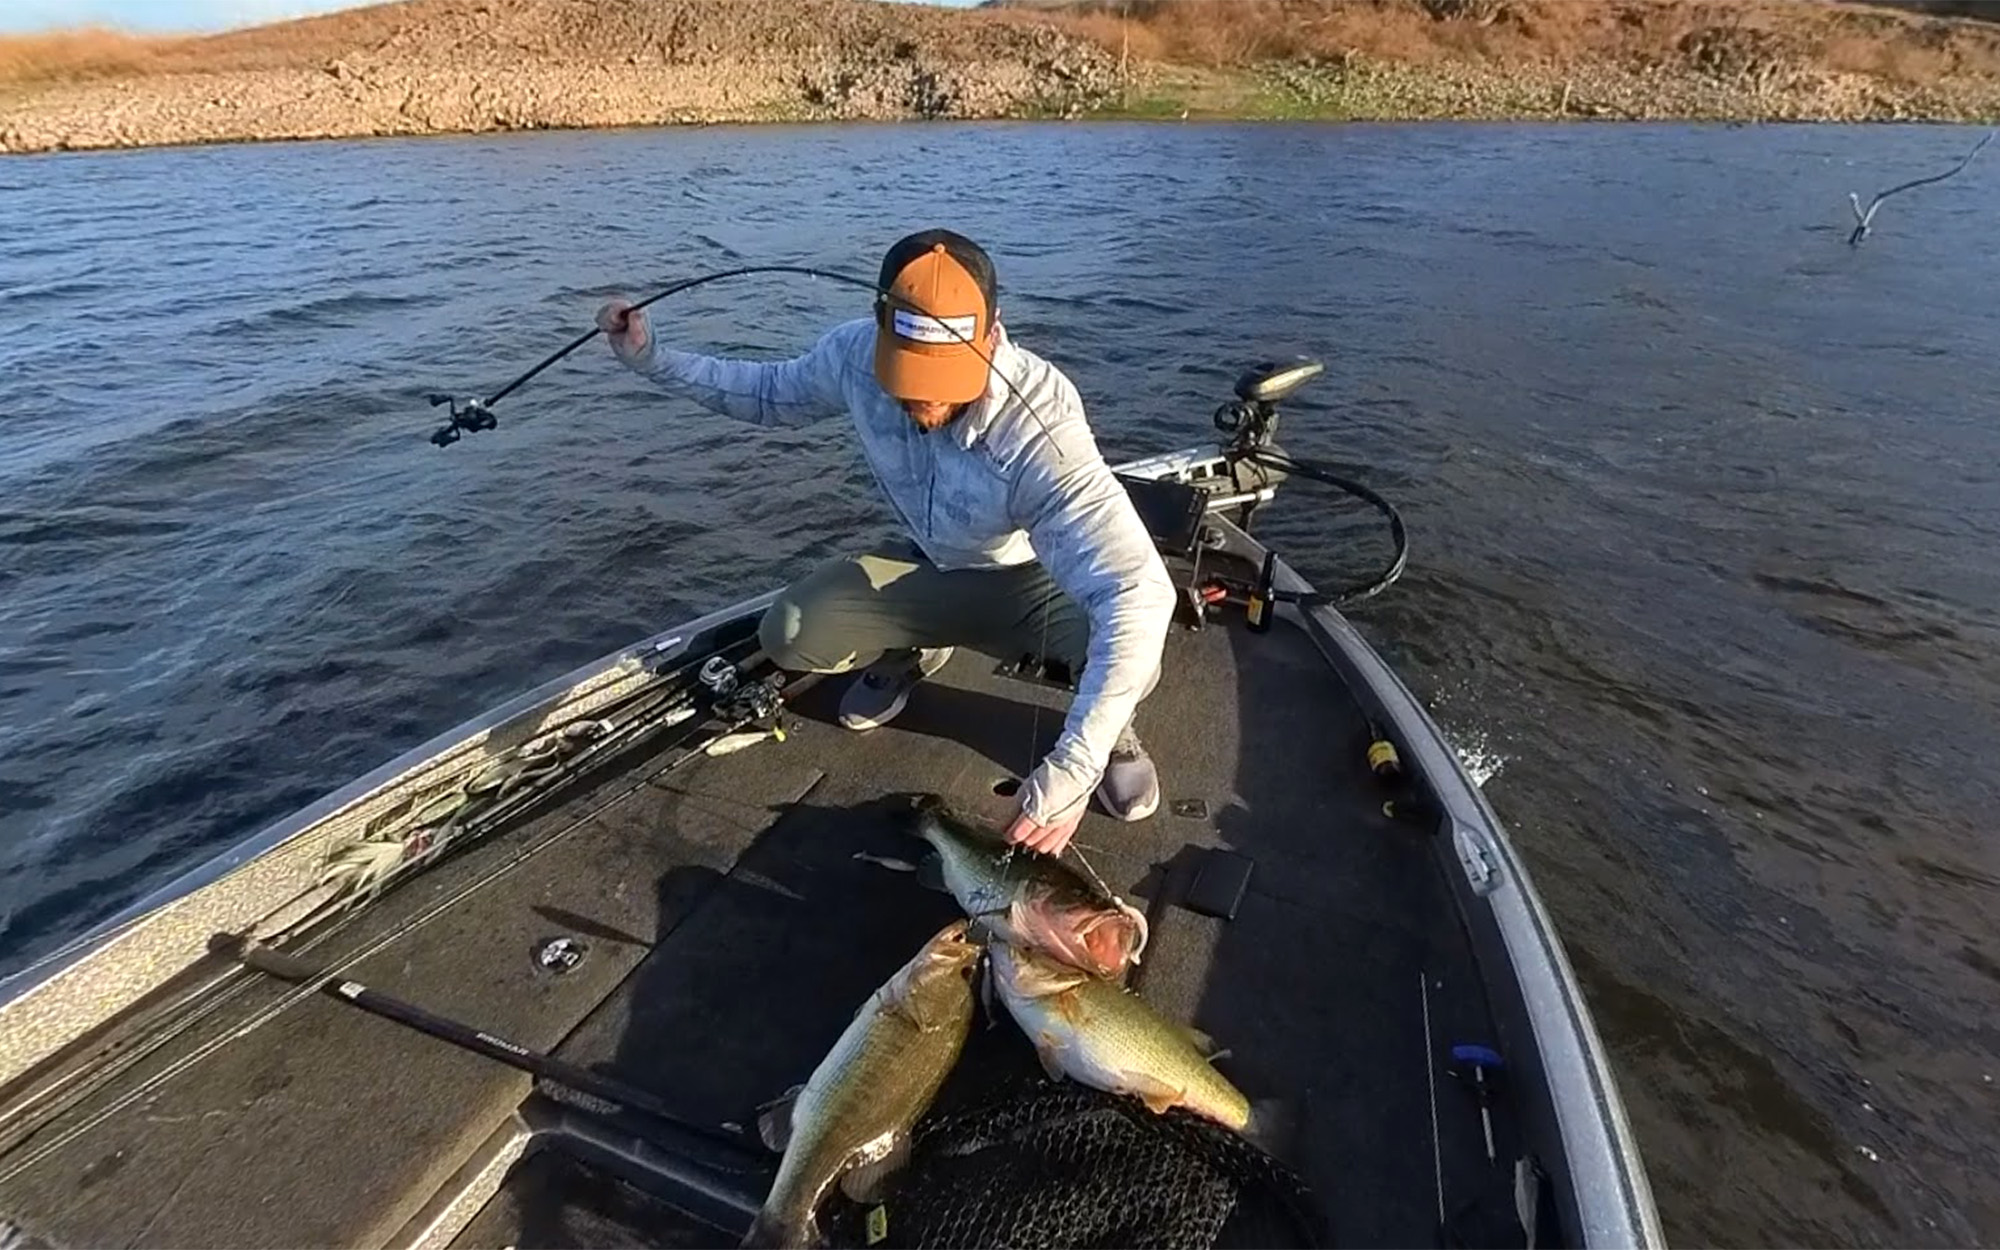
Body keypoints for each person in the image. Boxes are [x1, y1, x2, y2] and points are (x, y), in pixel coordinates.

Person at [597, 229, 1174, 856]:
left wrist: (1074, 769)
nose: (924, 399)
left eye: (946, 375)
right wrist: (651, 357)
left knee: (1130, 652)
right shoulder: (852, 356)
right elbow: (766, 394)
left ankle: (1115, 731)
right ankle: (907, 652)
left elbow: (1137, 590)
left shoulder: (1041, 421)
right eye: (908, 374)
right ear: (879, 331)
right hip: (927, 565)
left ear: (992, 333)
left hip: (1030, 583)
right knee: (788, 631)